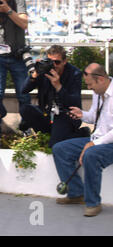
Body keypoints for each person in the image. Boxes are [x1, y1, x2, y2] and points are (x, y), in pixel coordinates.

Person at [53, 63, 113, 217]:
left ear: (100, 79)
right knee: (60, 148)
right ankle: (76, 193)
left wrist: (93, 144)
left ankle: (93, 203)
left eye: (90, 84)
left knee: (91, 155)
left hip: (108, 143)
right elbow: (94, 116)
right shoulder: (98, 93)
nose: (89, 88)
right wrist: (82, 115)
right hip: (98, 139)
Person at [20, 45, 88, 147]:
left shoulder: (74, 73)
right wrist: (34, 75)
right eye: (50, 61)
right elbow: (23, 90)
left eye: (57, 62)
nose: (53, 65)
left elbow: (74, 102)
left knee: (54, 145)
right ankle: (53, 133)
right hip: (48, 113)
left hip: (66, 115)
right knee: (25, 109)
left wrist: (58, 86)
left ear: (65, 61)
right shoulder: (44, 70)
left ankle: (81, 133)